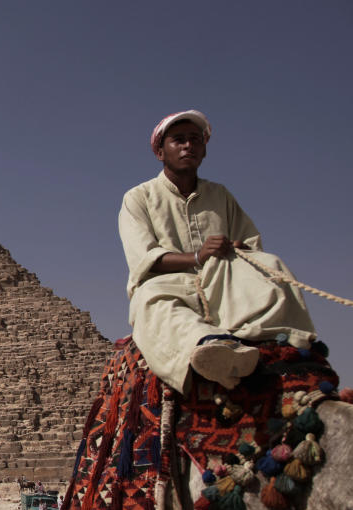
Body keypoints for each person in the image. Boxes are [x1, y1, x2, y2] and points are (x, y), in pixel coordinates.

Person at [119, 110, 316, 393]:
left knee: (272, 264)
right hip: (167, 284)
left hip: (222, 282)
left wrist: (237, 248)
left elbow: (251, 244)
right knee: (154, 304)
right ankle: (210, 348)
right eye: (179, 140)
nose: (188, 146)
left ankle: (292, 342)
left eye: (195, 140)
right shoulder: (138, 198)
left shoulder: (220, 195)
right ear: (160, 152)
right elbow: (144, 258)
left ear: (204, 150)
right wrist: (198, 256)